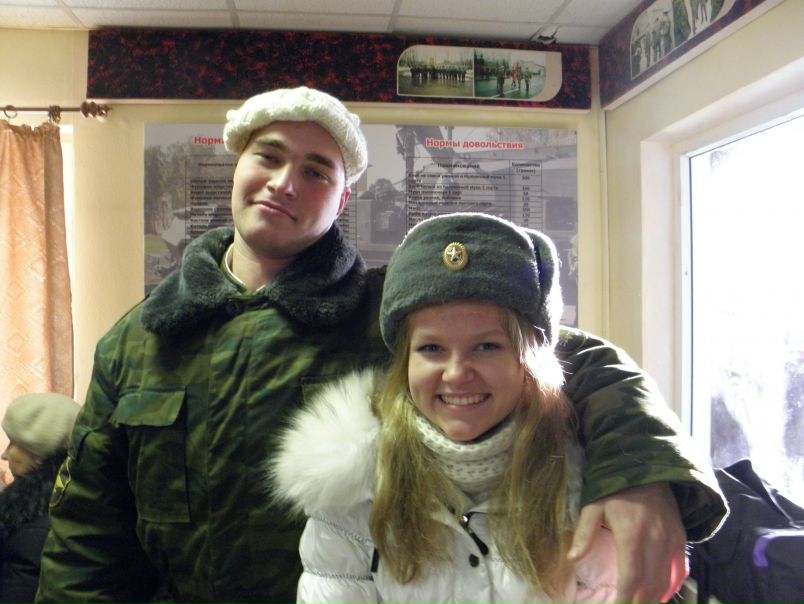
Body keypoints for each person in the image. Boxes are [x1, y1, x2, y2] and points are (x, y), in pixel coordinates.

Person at [37, 86, 726, 604]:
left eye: (317, 171)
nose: (285, 183)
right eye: (268, 156)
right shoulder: (140, 337)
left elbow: (570, 362)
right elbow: (89, 528)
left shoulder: (394, 316)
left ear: (342, 198)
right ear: (235, 162)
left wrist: (641, 475)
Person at [272, 212, 622, 602]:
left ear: (529, 361)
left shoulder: (591, 483)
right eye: (432, 348)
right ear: (405, 361)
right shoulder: (352, 489)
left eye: (487, 346)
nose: (456, 374)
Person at [1, 393, 80, 603]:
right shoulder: (67, 501)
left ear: (37, 455)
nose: (4, 455)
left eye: (12, 444)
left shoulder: (35, 529)